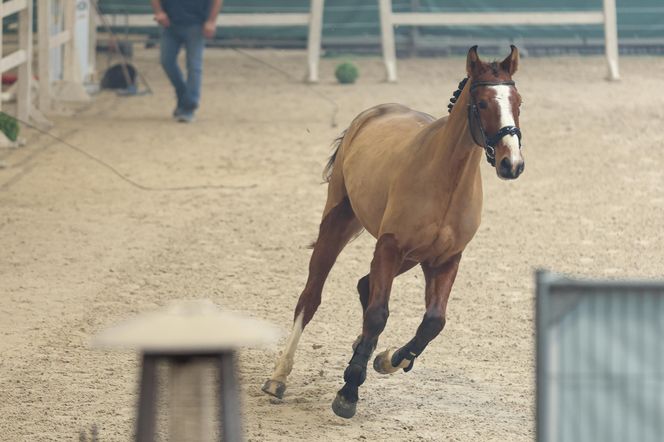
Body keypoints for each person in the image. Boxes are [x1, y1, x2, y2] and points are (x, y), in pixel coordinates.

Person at [151, 0, 223, 122]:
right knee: (166, 61)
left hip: (196, 23)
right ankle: (185, 97)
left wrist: (211, 21)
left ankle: (189, 106)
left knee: (194, 65)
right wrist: (159, 12)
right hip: (170, 23)